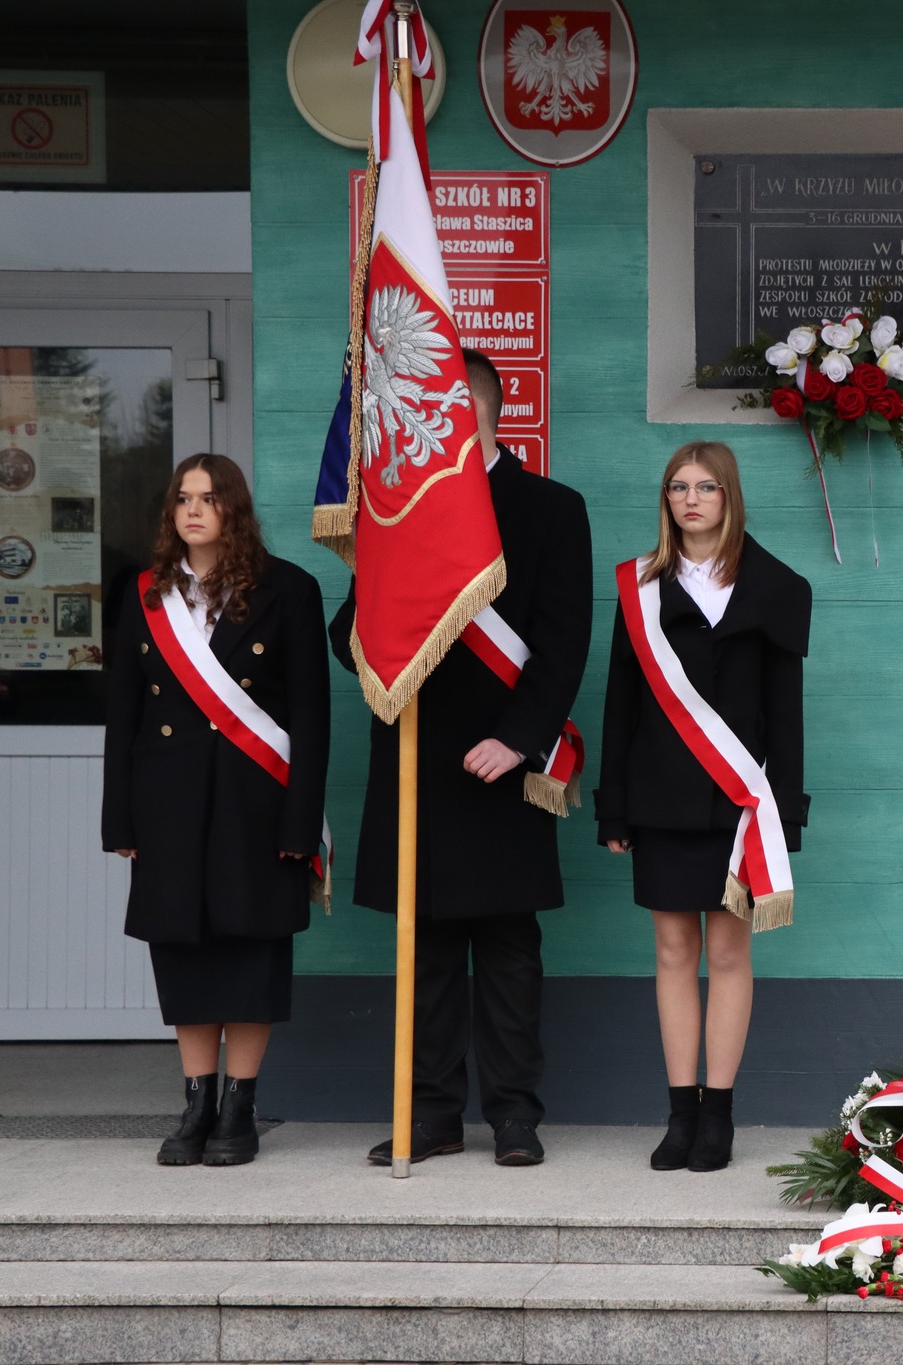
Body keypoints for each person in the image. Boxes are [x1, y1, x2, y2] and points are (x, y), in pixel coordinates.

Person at [330, 350, 592, 1168]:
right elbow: (347, 639)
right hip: (417, 758)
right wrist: (382, 597)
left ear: (482, 409)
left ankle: (514, 1115)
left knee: (509, 950)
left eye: (446, 408)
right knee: (427, 951)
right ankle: (431, 1114)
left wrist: (518, 738)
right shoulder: (396, 510)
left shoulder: (551, 508)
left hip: (503, 760)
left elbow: (564, 641)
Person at [102, 453, 330, 1166]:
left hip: (255, 806)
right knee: (184, 955)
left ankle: (240, 1106)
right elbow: (124, 713)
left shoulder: (289, 589)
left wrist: (301, 821)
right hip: (167, 806)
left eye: (208, 497)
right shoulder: (143, 593)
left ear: (234, 508)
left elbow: (312, 718)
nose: (193, 510)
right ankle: (196, 1103)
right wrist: (120, 820)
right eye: (183, 498)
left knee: (251, 955)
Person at [597, 440, 811, 1173]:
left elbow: (787, 715)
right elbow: (620, 703)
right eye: (678, 487)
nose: (690, 499)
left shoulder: (776, 587)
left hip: (741, 804)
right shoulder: (640, 587)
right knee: (672, 952)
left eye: (706, 486)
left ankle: (717, 1113)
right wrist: (614, 808)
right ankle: (679, 1113)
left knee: (726, 953)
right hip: (659, 799)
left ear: (729, 496)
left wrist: (785, 813)